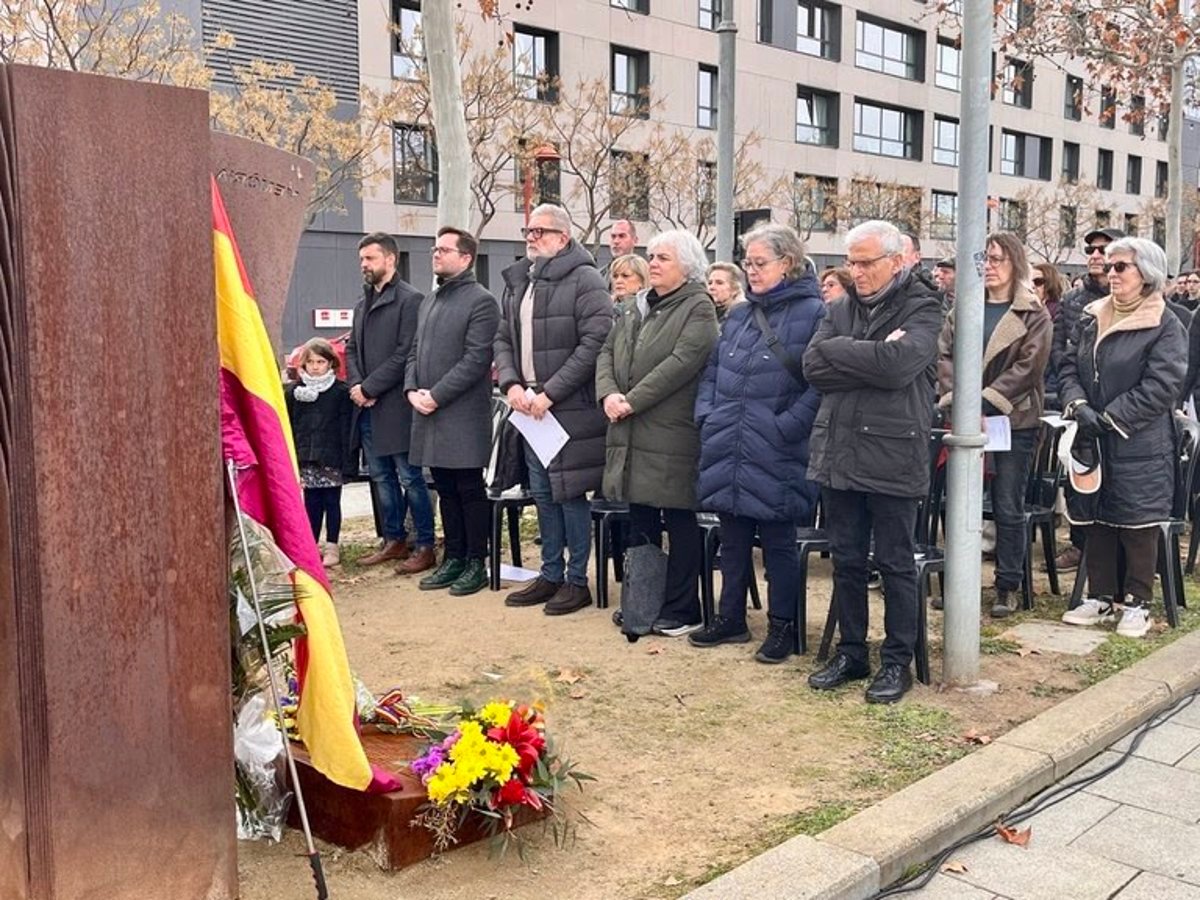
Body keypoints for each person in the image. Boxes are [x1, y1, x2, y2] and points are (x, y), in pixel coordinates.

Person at [801, 220, 943, 704]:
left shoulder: (924, 306)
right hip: (839, 450)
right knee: (846, 559)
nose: (856, 272)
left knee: (895, 562)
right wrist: (868, 356)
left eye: (866, 263)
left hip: (892, 451)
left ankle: (898, 660)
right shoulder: (840, 307)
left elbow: (901, 365)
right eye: (852, 263)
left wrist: (846, 354)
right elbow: (812, 366)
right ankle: (852, 651)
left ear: (897, 261)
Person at [690, 223, 825, 660]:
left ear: (787, 263)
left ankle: (783, 625)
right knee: (732, 536)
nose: (751, 270)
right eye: (747, 263)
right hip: (730, 438)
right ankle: (731, 618)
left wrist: (788, 426)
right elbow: (713, 371)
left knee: (778, 542)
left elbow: (819, 383)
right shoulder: (741, 313)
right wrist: (707, 416)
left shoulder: (814, 313)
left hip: (778, 445)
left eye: (760, 262)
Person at [1059, 237, 1187, 637]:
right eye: (1108, 266)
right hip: (1091, 433)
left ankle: (1137, 602)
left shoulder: (1165, 323)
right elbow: (1067, 367)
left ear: (1145, 274)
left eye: (1120, 267)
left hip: (1140, 441)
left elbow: (1163, 384)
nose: (1109, 272)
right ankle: (1100, 596)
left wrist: (1111, 417)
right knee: (1095, 514)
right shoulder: (1091, 316)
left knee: (1137, 520)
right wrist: (1078, 406)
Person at [596, 229, 720, 636]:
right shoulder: (634, 306)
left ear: (686, 265)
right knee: (641, 516)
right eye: (651, 256)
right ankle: (642, 602)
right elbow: (607, 352)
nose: (653, 263)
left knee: (679, 517)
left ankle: (683, 607)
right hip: (629, 428)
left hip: (671, 431)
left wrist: (631, 400)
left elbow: (682, 363)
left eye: (663, 258)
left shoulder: (698, 308)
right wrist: (609, 394)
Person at [496, 204, 613, 615]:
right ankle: (550, 574)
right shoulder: (519, 282)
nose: (531, 238)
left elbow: (595, 342)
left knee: (570, 494)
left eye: (540, 232)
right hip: (527, 407)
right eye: (528, 231)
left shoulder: (586, 280)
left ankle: (577, 580)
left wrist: (551, 393)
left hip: (567, 409)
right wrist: (511, 384)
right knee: (542, 493)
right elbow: (503, 339)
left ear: (563, 238)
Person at [937, 233, 1052, 618]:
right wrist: (959, 397)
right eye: (983, 259)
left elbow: (1029, 367)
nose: (989, 266)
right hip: (964, 414)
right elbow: (945, 354)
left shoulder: (1033, 313)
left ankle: (1007, 585)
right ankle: (958, 581)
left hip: (1013, 419)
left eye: (997, 259)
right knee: (962, 501)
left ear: (1014, 262)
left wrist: (985, 400)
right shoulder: (963, 307)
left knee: (1007, 502)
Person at [405, 227, 501, 596]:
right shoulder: (430, 301)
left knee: (467, 487)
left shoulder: (481, 301)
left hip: (460, 411)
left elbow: (477, 358)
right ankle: (454, 557)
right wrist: (412, 389)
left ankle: (476, 560)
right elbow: (413, 350)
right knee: (444, 486)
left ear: (465, 258)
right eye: (434, 248)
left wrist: (437, 395)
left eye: (444, 249)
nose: (436, 254)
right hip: (428, 409)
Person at [345, 231, 437, 573]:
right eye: (361, 260)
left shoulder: (411, 300)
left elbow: (405, 354)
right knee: (380, 478)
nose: (364, 265)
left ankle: (425, 544)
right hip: (367, 406)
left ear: (390, 259)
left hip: (396, 405)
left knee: (410, 477)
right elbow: (352, 348)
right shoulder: (362, 302)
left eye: (370, 258)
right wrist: (356, 385)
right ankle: (394, 540)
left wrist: (370, 387)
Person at [1051, 226, 1124, 574]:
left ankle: (1121, 552)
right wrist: (1075, 400)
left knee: (1120, 484)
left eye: (1103, 249)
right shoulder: (1073, 300)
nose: (1095, 255)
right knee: (1079, 479)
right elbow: (1061, 353)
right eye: (1091, 249)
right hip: (1080, 403)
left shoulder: (1140, 299)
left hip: (1121, 408)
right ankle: (1080, 544)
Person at [285, 338, 355, 568]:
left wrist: (348, 460)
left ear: (331, 363)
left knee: (332, 502)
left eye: (321, 361)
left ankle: (332, 545)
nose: (315, 367)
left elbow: (346, 427)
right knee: (311, 502)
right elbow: (290, 425)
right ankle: (310, 545)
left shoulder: (340, 392)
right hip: (306, 457)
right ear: (303, 364)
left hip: (331, 456)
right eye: (311, 362)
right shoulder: (294, 392)